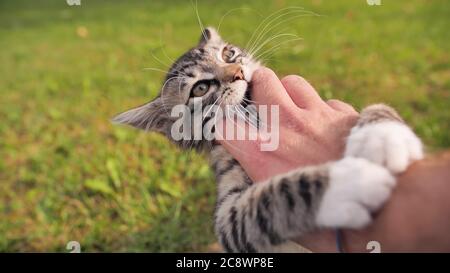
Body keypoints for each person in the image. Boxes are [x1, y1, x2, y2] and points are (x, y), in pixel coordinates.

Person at [218, 67, 450, 252]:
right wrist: (313, 193)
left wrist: (378, 120)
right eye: (201, 87)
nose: (232, 73)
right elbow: (233, 232)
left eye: (227, 55)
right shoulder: (225, 152)